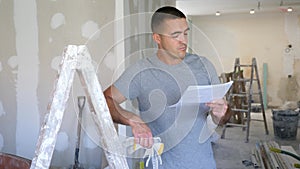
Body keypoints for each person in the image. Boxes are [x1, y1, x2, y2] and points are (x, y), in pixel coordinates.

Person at [104, 6, 228, 169]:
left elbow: (224, 117)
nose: (183, 40)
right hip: (161, 165)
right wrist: (132, 120)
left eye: (185, 33)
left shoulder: (204, 65)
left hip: (203, 163)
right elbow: (105, 100)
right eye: (175, 35)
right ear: (157, 38)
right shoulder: (141, 71)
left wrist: (221, 114)